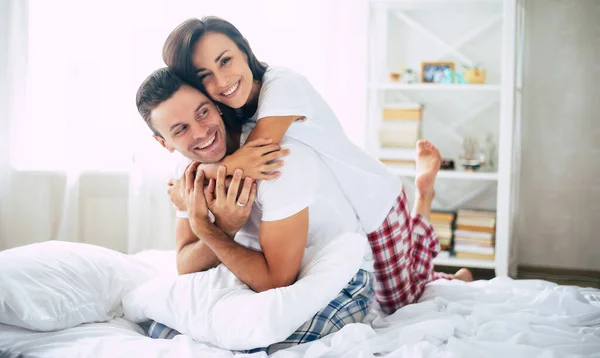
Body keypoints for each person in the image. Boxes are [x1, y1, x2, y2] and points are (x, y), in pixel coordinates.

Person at [162, 17, 472, 314]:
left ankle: (426, 204)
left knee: (401, 302)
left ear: (244, 48)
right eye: (205, 76)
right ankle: (432, 259)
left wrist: (193, 181)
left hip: (373, 200)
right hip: (345, 209)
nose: (222, 80)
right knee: (388, 292)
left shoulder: (282, 84)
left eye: (225, 60)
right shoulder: (232, 107)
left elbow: (255, 158)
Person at [135, 68, 456, 353]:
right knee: (162, 329)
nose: (201, 132)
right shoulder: (186, 172)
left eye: (203, 112)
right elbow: (186, 264)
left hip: (340, 271)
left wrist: (207, 229)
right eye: (180, 130)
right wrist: (227, 228)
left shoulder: (278, 161)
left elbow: (276, 281)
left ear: (216, 106)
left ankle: (422, 203)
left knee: (404, 301)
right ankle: (453, 275)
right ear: (163, 142)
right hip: (265, 267)